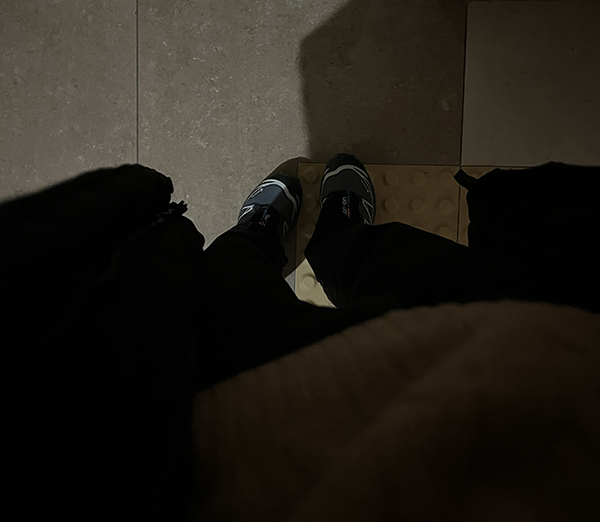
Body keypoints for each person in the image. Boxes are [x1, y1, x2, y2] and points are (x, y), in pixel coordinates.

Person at [1, 154, 599, 521]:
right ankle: (334, 240)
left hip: (198, 401)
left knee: (233, 277)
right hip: (528, 331)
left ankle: (264, 238)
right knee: (399, 268)